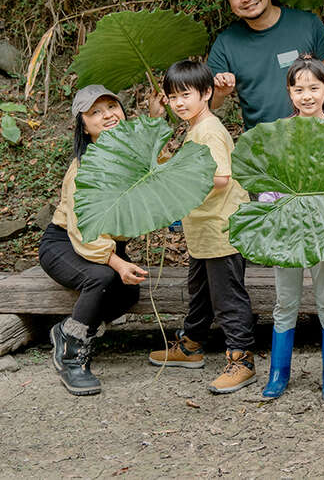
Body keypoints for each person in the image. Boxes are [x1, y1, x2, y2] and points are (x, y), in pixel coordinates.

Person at [147, 61, 257, 394]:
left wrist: (179, 193)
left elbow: (221, 178)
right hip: (204, 229)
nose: (179, 103)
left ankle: (242, 359)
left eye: (185, 95)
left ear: (206, 93)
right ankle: (192, 345)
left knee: (227, 298)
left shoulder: (209, 129)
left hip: (221, 227)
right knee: (201, 292)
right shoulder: (194, 127)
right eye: (172, 96)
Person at [38, 85, 151, 395]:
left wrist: (156, 118)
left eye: (111, 107)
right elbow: (82, 231)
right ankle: (71, 355)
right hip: (65, 242)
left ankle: (67, 330)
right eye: (95, 112)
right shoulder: (83, 169)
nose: (107, 115)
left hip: (108, 244)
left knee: (128, 295)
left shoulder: (132, 155)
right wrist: (116, 262)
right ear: (84, 126)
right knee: (101, 277)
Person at [261, 56, 324, 402]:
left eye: (314, 88)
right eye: (299, 89)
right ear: (289, 93)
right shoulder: (279, 132)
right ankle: (279, 373)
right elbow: (268, 181)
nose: (307, 95)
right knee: (285, 302)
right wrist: (272, 216)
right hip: (288, 229)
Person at [207, 0, 324, 130]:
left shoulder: (307, 24)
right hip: (264, 146)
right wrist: (220, 94)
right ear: (230, 5)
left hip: (314, 137)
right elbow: (209, 102)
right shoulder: (226, 43)